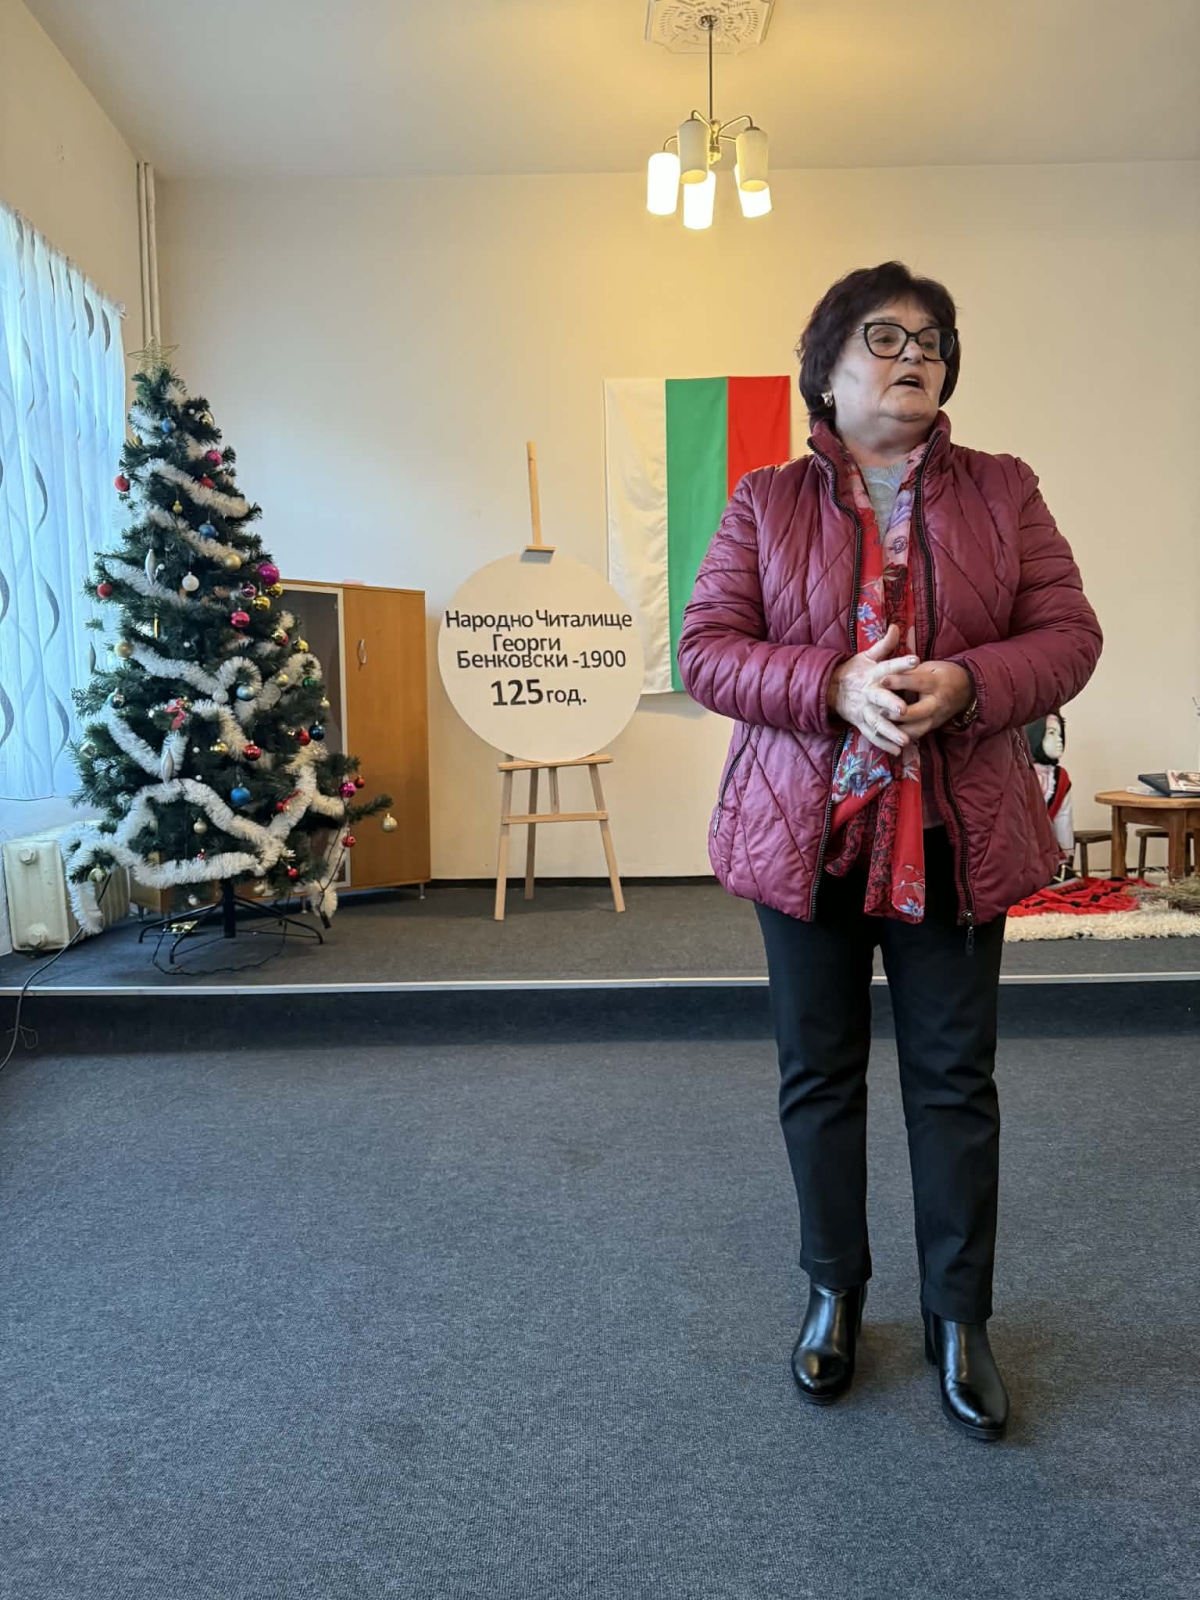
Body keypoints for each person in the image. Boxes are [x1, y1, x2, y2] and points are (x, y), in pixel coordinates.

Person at [677, 262, 1102, 1441]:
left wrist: (969, 681)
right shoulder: (765, 500)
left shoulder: (1004, 488)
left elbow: (1069, 634)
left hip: (954, 833)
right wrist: (829, 683)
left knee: (954, 1081)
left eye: (932, 340)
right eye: (884, 336)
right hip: (804, 836)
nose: (915, 354)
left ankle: (958, 1317)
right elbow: (705, 648)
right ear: (826, 369)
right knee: (818, 1075)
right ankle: (834, 1293)